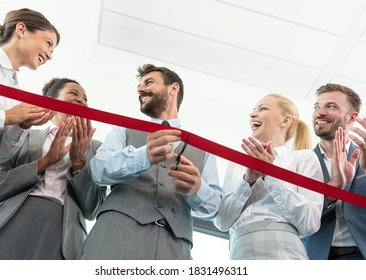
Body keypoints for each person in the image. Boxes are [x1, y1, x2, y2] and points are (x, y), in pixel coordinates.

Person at [80, 64, 222, 260]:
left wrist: (198, 189)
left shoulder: (204, 150)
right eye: (139, 85)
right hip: (115, 236)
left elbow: (214, 208)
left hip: (175, 249)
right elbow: (98, 170)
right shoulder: (123, 130)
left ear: (174, 88)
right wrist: (143, 157)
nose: (139, 89)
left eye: (148, 82)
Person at [0, 78, 106, 259]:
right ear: (51, 100)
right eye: (73, 93)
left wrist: (78, 163)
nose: (81, 100)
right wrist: (44, 162)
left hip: (63, 234)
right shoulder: (21, 135)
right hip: (8, 222)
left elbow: (93, 209)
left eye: (85, 98)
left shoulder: (98, 149)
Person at [214, 93, 325, 260]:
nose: (252, 114)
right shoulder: (236, 165)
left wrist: (270, 175)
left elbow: (310, 223)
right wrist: (247, 181)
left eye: (263, 108)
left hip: (284, 253)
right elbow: (222, 222)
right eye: (253, 110)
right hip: (239, 252)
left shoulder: (303, 158)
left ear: (285, 121)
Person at [0, 8, 60, 186]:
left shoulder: (18, 97)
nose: (50, 56)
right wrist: (6, 117)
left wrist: (23, 125)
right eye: (48, 43)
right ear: (21, 30)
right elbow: (5, 117)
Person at [302, 83, 365, 260]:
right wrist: (332, 191)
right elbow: (297, 215)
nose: (320, 112)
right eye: (317, 106)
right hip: (313, 257)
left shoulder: (364, 157)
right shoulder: (300, 163)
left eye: (331, 106)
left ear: (352, 118)